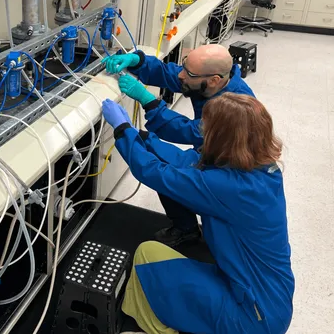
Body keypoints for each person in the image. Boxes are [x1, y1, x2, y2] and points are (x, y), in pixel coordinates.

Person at [100, 93, 294, 334]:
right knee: (153, 253)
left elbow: (155, 173)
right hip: (270, 299)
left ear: (221, 137)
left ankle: (153, 329)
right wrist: (143, 138)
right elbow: (187, 160)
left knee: (146, 259)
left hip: (252, 319)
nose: (202, 130)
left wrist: (121, 130)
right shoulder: (262, 168)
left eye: (206, 127)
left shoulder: (230, 188)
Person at [102, 44, 256, 247]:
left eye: (188, 72)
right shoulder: (211, 80)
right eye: (184, 67)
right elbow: (171, 74)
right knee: (162, 158)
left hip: (222, 163)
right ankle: (186, 228)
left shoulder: (234, 106)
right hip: (209, 152)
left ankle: (195, 231)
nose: (181, 75)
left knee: (166, 175)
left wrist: (148, 102)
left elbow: (190, 131)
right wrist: (137, 61)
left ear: (214, 80)